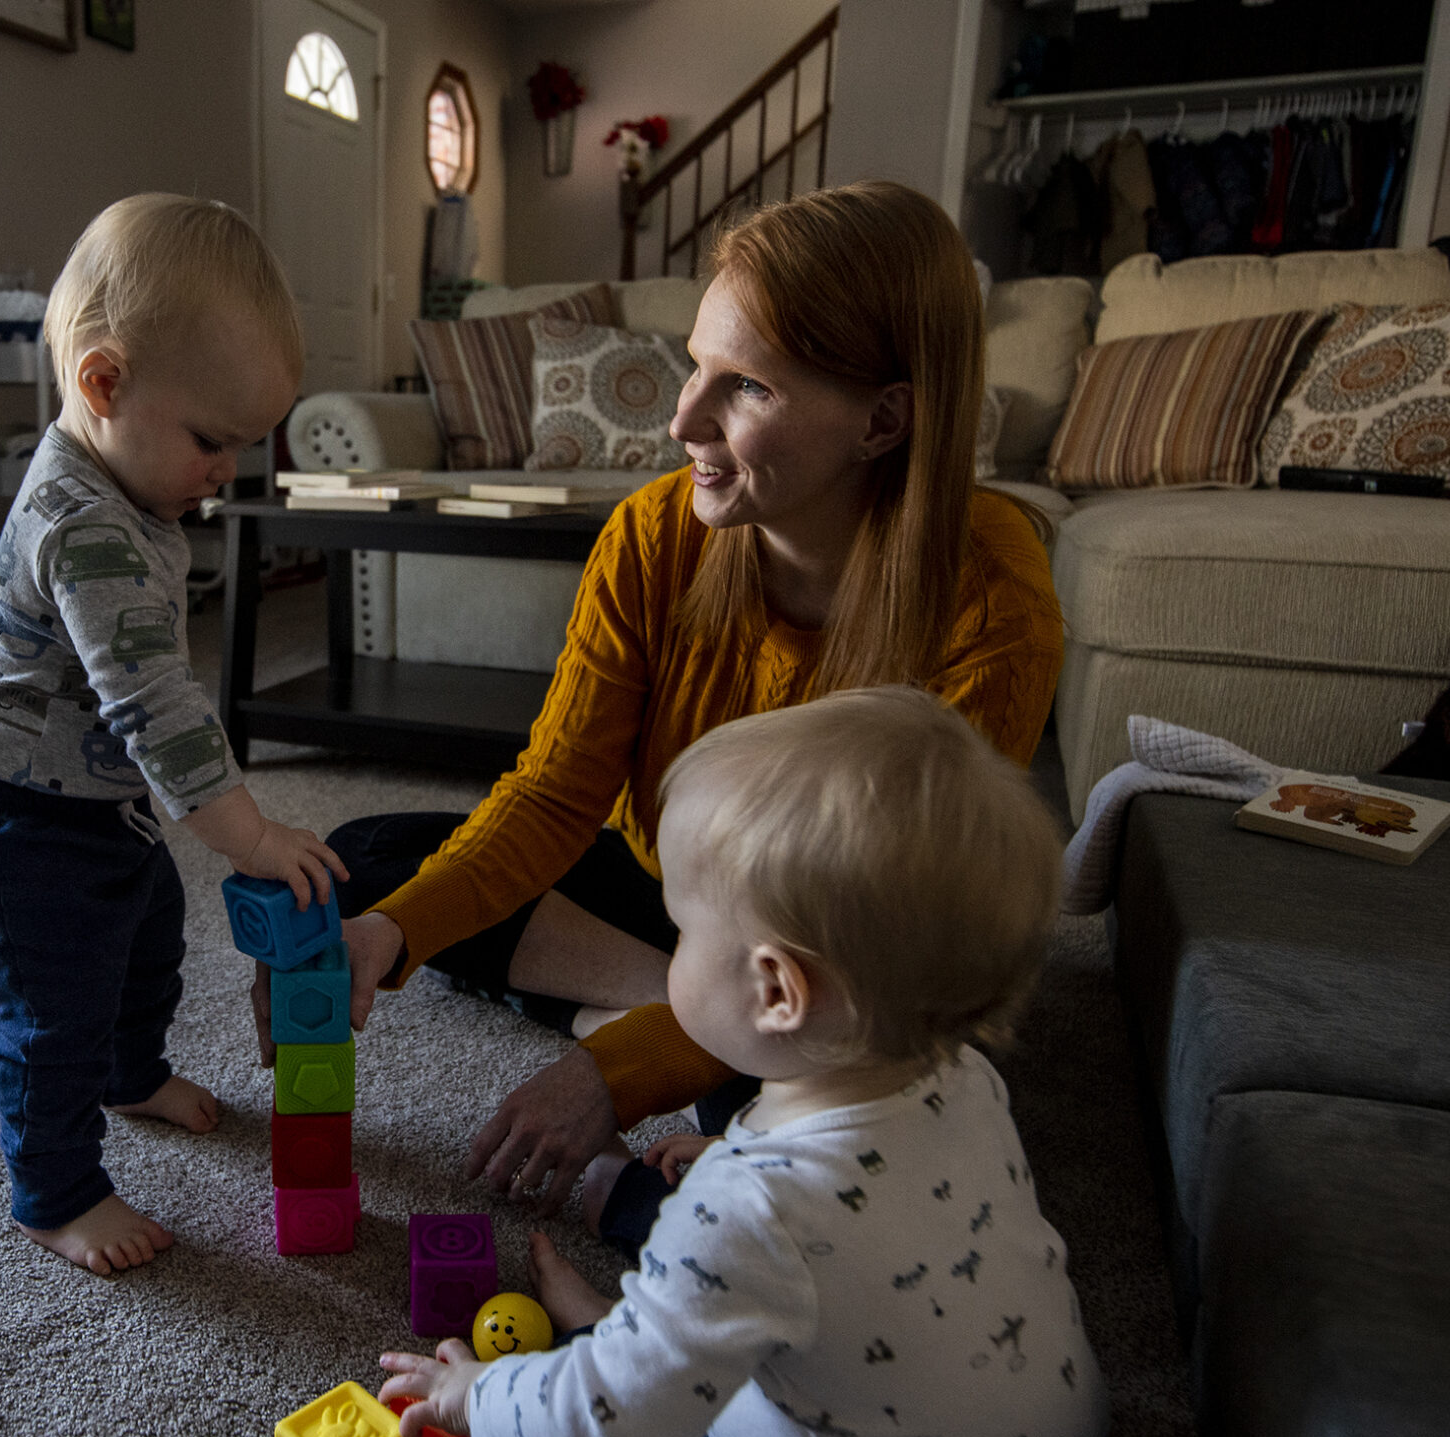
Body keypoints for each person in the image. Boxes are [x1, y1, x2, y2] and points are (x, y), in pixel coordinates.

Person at [258, 182, 1063, 1232]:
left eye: (746, 388)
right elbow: (555, 795)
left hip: (834, 955)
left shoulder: (990, 600)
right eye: (695, 364)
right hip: (671, 889)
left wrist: (613, 1074)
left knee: (815, 1125)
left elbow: (891, 946)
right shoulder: (653, 534)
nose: (682, 419)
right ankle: (688, 1008)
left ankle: (699, 1025)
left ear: (882, 420)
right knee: (368, 862)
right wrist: (386, 935)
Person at [380, 688, 1107, 1437]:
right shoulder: (959, 1079)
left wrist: (477, 1396)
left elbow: (610, 1431)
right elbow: (866, 1235)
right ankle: (650, 1331)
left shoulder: (748, 1206)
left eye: (680, 931)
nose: (670, 951)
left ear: (775, 989)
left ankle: (631, 1345)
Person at [0, 194, 347, 1277]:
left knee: (148, 933)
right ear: (102, 385)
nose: (225, 473)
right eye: (212, 441)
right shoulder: (83, 525)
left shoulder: (131, 490)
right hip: (10, 814)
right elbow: (153, 700)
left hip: (91, 797)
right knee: (50, 1006)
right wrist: (245, 832)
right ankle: (55, 1193)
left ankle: (131, 1069)